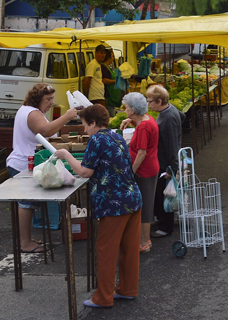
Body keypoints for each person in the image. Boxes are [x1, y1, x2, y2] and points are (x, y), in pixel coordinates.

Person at [53, 105, 142, 309]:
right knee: (129, 249)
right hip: (133, 198)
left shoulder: (97, 139)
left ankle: (103, 297)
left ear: (93, 122)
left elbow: (85, 172)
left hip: (113, 204)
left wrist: (66, 154)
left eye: (85, 125)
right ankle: (128, 289)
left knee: (106, 250)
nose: (85, 130)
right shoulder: (116, 136)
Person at [7, 83, 77, 253]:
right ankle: (25, 243)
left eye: (52, 98)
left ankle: (26, 239)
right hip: (24, 164)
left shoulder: (30, 111)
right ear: (37, 99)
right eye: (48, 99)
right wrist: (67, 116)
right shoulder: (31, 113)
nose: (51, 102)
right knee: (26, 203)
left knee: (29, 204)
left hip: (26, 163)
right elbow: (45, 131)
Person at [120, 92, 160, 253]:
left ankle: (145, 242)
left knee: (145, 206)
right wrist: (131, 121)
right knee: (145, 203)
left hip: (145, 171)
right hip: (151, 167)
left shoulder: (143, 127)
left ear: (133, 110)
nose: (125, 110)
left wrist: (131, 172)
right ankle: (143, 240)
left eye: (126, 108)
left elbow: (142, 153)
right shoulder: (146, 119)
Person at [146, 85, 184, 238]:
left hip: (165, 163)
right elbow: (183, 116)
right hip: (163, 161)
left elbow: (172, 145)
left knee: (164, 195)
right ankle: (162, 222)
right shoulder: (170, 109)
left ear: (159, 101)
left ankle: (165, 227)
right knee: (161, 194)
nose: (149, 104)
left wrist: (172, 168)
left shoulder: (167, 118)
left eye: (150, 101)